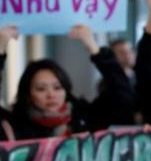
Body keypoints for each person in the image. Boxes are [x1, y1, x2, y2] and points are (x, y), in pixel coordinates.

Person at [0, 25, 135, 139]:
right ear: (28, 93)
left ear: (66, 90)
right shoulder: (13, 126)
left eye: (57, 87)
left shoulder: (84, 118)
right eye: (41, 89)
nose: (51, 95)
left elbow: (123, 96)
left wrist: (94, 47)